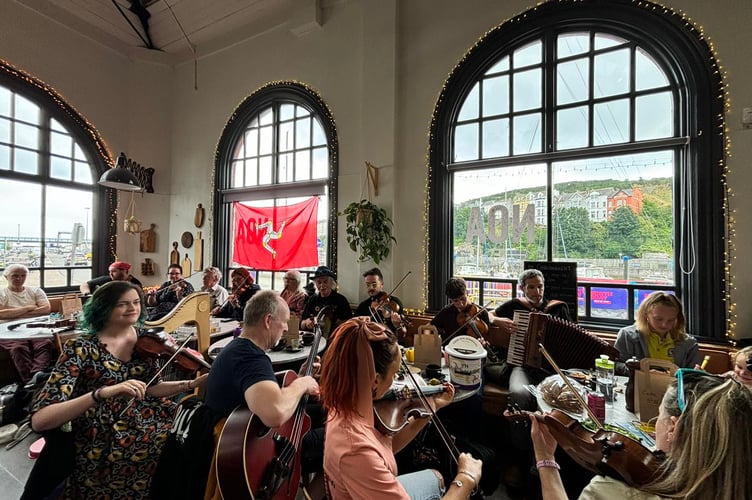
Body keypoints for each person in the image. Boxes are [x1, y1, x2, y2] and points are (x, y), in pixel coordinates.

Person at [29, 281, 208, 499]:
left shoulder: (144, 338)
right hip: (103, 428)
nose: (133, 308)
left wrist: (189, 385)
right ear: (103, 308)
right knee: (165, 449)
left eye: (135, 302)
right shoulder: (81, 347)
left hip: (148, 413)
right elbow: (40, 420)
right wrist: (103, 393)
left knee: (196, 435)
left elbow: (151, 388)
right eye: (122, 304)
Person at [320, 317, 483, 499]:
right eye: (395, 374)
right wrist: (466, 478)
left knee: (436, 477)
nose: (396, 382)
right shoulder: (356, 452)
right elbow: (368, 456)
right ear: (374, 381)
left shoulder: (345, 400)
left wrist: (432, 407)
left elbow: (386, 447)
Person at [529, 369, 752, 500]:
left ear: (673, 428)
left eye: (659, 417)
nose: (656, 424)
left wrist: (545, 458)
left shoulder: (618, 492)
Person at [203, 290, 323, 498]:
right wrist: (302, 384)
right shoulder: (251, 358)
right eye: (284, 321)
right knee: (341, 438)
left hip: (236, 445)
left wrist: (299, 376)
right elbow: (274, 413)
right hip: (253, 457)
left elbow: (259, 387)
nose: (286, 328)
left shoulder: (236, 349)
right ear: (268, 320)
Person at [488, 269, 573, 410]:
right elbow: (487, 314)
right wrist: (497, 320)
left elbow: (571, 337)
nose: (537, 291)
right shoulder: (515, 305)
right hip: (522, 367)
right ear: (522, 288)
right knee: (518, 394)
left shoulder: (559, 309)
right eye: (531, 287)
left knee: (564, 398)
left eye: (540, 286)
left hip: (553, 368)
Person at [614, 291, 700, 373]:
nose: (664, 325)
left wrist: (697, 373)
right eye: (658, 319)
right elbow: (616, 365)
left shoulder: (689, 343)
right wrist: (637, 369)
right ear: (646, 315)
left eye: (671, 320)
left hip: (674, 387)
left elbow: (692, 374)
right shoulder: (627, 336)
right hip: (638, 386)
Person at [0, 263, 54, 384]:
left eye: (23, 275)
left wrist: (11, 311)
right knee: (18, 348)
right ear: (6, 277)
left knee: (45, 343)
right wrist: (28, 308)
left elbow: (45, 309)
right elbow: (1, 314)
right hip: (7, 329)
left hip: (34, 326)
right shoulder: (2, 293)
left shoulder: (35, 291)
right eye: (15, 276)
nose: (19, 279)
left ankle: (37, 374)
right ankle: (31, 381)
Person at [354, 267, 409, 343]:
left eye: (374, 284)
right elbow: (356, 329)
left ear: (382, 284)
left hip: (391, 343)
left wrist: (397, 325)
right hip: (370, 344)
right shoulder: (363, 306)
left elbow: (402, 335)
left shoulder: (394, 303)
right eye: (368, 285)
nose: (371, 288)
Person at [430, 277, 490, 342]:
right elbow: (428, 327)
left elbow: (487, 339)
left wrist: (483, 343)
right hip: (451, 350)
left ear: (467, 293)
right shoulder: (446, 312)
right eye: (456, 301)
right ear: (450, 300)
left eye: (462, 299)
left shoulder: (482, 312)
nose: (461, 304)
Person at [300, 266, 353, 334]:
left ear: (331, 283)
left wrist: (337, 323)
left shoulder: (341, 300)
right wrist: (307, 323)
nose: (322, 285)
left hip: (335, 337)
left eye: (325, 282)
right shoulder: (312, 300)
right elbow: (302, 324)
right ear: (315, 284)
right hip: (315, 337)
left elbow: (351, 324)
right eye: (319, 282)